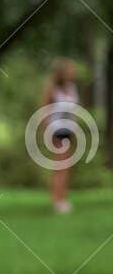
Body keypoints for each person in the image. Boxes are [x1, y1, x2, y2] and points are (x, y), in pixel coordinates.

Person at [41, 58, 81, 214]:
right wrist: (48, 130)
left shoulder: (72, 88)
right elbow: (43, 112)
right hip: (57, 131)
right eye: (71, 70)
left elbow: (75, 110)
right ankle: (57, 201)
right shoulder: (52, 90)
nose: (74, 72)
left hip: (69, 130)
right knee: (61, 166)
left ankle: (62, 198)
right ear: (63, 73)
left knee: (66, 167)